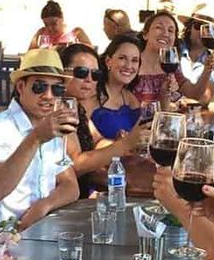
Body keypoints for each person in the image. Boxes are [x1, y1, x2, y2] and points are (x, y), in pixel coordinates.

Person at [0, 48, 80, 239]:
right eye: (39, 87)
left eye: (57, 89)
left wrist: (44, 205)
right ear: (21, 87)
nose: (48, 95)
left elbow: (71, 186)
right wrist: (36, 138)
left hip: (39, 236)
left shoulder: (49, 126)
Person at [59, 42, 148, 197]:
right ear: (61, 73)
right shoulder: (58, 109)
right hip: (68, 199)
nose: (89, 79)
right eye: (81, 72)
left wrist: (127, 146)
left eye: (95, 75)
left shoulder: (75, 107)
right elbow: (75, 166)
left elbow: (97, 140)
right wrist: (125, 144)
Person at [132, 10, 214, 107]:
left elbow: (194, 94)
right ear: (145, 34)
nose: (165, 34)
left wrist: (207, 69)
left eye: (170, 30)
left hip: (162, 120)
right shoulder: (132, 62)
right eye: (159, 27)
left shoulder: (171, 67)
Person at [90, 33, 143, 139]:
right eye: (122, 58)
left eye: (134, 60)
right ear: (108, 61)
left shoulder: (130, 97)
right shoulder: (93, 93)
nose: (129, 66)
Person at [178, 10, 214, 82]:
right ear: (189, 28)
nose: (202, 32)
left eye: (208, 29)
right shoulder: (174, 47)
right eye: (198, 26)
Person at [28, 0, 92, 50]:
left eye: (54, 24)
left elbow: (91, 51)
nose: (50, 28)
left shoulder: (76, 32)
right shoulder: (41, 33)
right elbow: (30, 54)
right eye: (46, 25)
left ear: (62, 19)